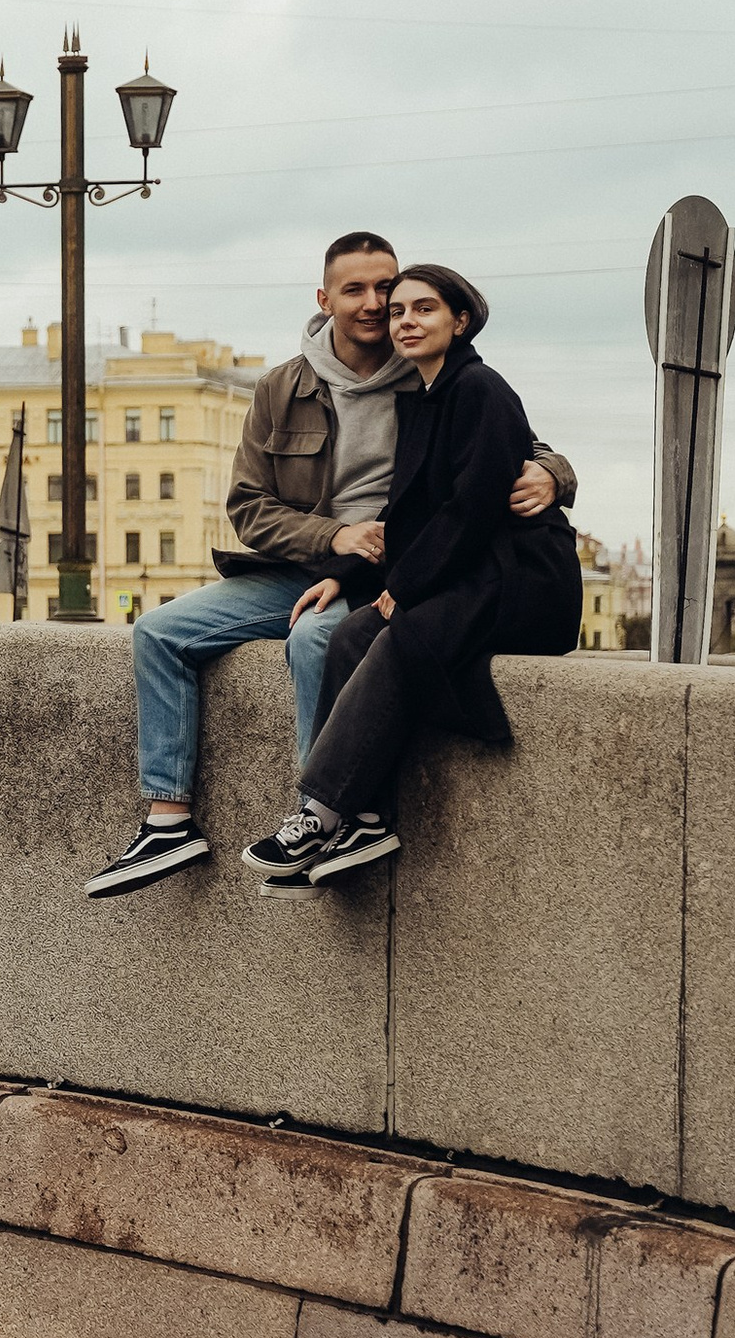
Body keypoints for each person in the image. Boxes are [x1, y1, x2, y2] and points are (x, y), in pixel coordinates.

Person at [86, 232, 570, 898]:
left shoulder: (431, 371)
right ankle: (169, 820)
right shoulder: (285, 386)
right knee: (158, 632)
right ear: (324, 299)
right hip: (310, 562)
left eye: (389, 290)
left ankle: (329, 817)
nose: (379, 307)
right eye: (358, 291)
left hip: (392, 570)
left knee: (319, 638)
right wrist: (333, 537)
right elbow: (247, 505)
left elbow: (510, 448)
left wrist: (552, 472)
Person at [244, 263, 582, 887]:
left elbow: (472, 510)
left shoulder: (480, 388)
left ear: (460, 320)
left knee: (403, 638)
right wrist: (346, 576)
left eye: (423, 309)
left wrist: (405, 588)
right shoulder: (426, 398)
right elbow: (406, 514)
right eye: (399, 312)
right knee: (349, 635)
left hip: (521, 580)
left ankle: (319, 813)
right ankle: (364, 820)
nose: (404, 321)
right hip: (474, 572)